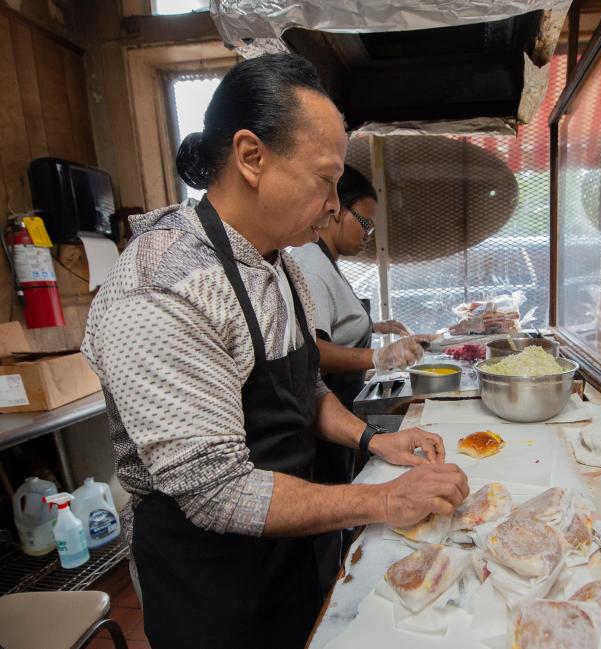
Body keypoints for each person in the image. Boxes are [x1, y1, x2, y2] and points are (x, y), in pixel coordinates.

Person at [81, 53, 468, 649]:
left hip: (291, 549)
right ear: (251, 157)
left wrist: (372, 440)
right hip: (211, 585)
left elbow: (302, 386)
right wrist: (385, 498)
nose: (337, 204)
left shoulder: (279, 263)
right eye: (325, 178)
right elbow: (217, 490)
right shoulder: (163, 285)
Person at [289, 163, 428, 414]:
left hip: (343, 404)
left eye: (371, 229)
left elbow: (330, 318)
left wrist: (373, 326)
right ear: (339, 211)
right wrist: (378, 356)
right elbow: (312, 349)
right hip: (326, 413)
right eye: (366, 224)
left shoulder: (326, 262)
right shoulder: (311, 265)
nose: (367, 236)